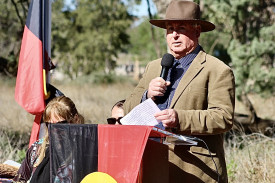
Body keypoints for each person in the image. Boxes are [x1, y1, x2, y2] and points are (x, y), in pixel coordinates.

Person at [123, 1, 235, 183]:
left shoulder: (217, 69)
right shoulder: (153, 67)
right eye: (169, 29)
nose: (174, 35)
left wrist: (179, 118)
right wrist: (147, 96)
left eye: (181, 28)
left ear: (197, 31)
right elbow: (127, 110)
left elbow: (223, 117)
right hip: (152, 167)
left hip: (195, 171)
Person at [13, 96, 84, 183]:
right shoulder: (37, 149)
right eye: (49, 125)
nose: (54, 130)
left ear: (75, 120)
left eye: (60, 125)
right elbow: (20, 179)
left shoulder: (86, 149)